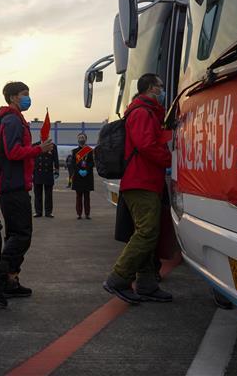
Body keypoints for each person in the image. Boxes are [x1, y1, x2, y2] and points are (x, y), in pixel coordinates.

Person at [0, 82, 54, 307]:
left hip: (13, 184)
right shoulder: (11, 120)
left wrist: (37, 147)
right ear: (12, 97)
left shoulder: (13, 119)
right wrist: (39, 149)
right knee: (21, 236)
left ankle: (10, 281)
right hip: (13, 186)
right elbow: (12, 152)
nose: (27, 98)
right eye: (24, 94)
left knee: (16, 236)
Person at [103, 73, 173, 305]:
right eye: (160, 86)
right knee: (147, 232)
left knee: (149, 233)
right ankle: (118, 278)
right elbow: (146, 145)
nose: (163, 91)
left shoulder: (148, 112)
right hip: (141, 181)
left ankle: (146, 283)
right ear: (151, 88)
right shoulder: (142, 112)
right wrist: (170, 159)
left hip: (146, 180)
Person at [32, 136, 59, 218]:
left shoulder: (52, 146)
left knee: (48, 194)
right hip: (37, 172)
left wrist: (57, 170)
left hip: (48, 172)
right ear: (40, 135)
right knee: (37, 194)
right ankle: (38, 212)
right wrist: (30, 171)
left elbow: (56, 158)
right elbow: (31, 159)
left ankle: (48, 212)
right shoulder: (35, 145)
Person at [70, 132, 95, 220]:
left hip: (87, 176)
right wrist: (79, 170)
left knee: (87, 196)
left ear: (86, 139)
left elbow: (92, 163)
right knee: (79, 196)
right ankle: (79, 214)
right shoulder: (74, 151)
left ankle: (87, 214)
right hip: (78, 176)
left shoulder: (90, 150)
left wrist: (86, 170)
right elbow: (73, 163)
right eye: (80, 137)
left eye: (83, 137)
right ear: (78, 139)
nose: (81, 139)